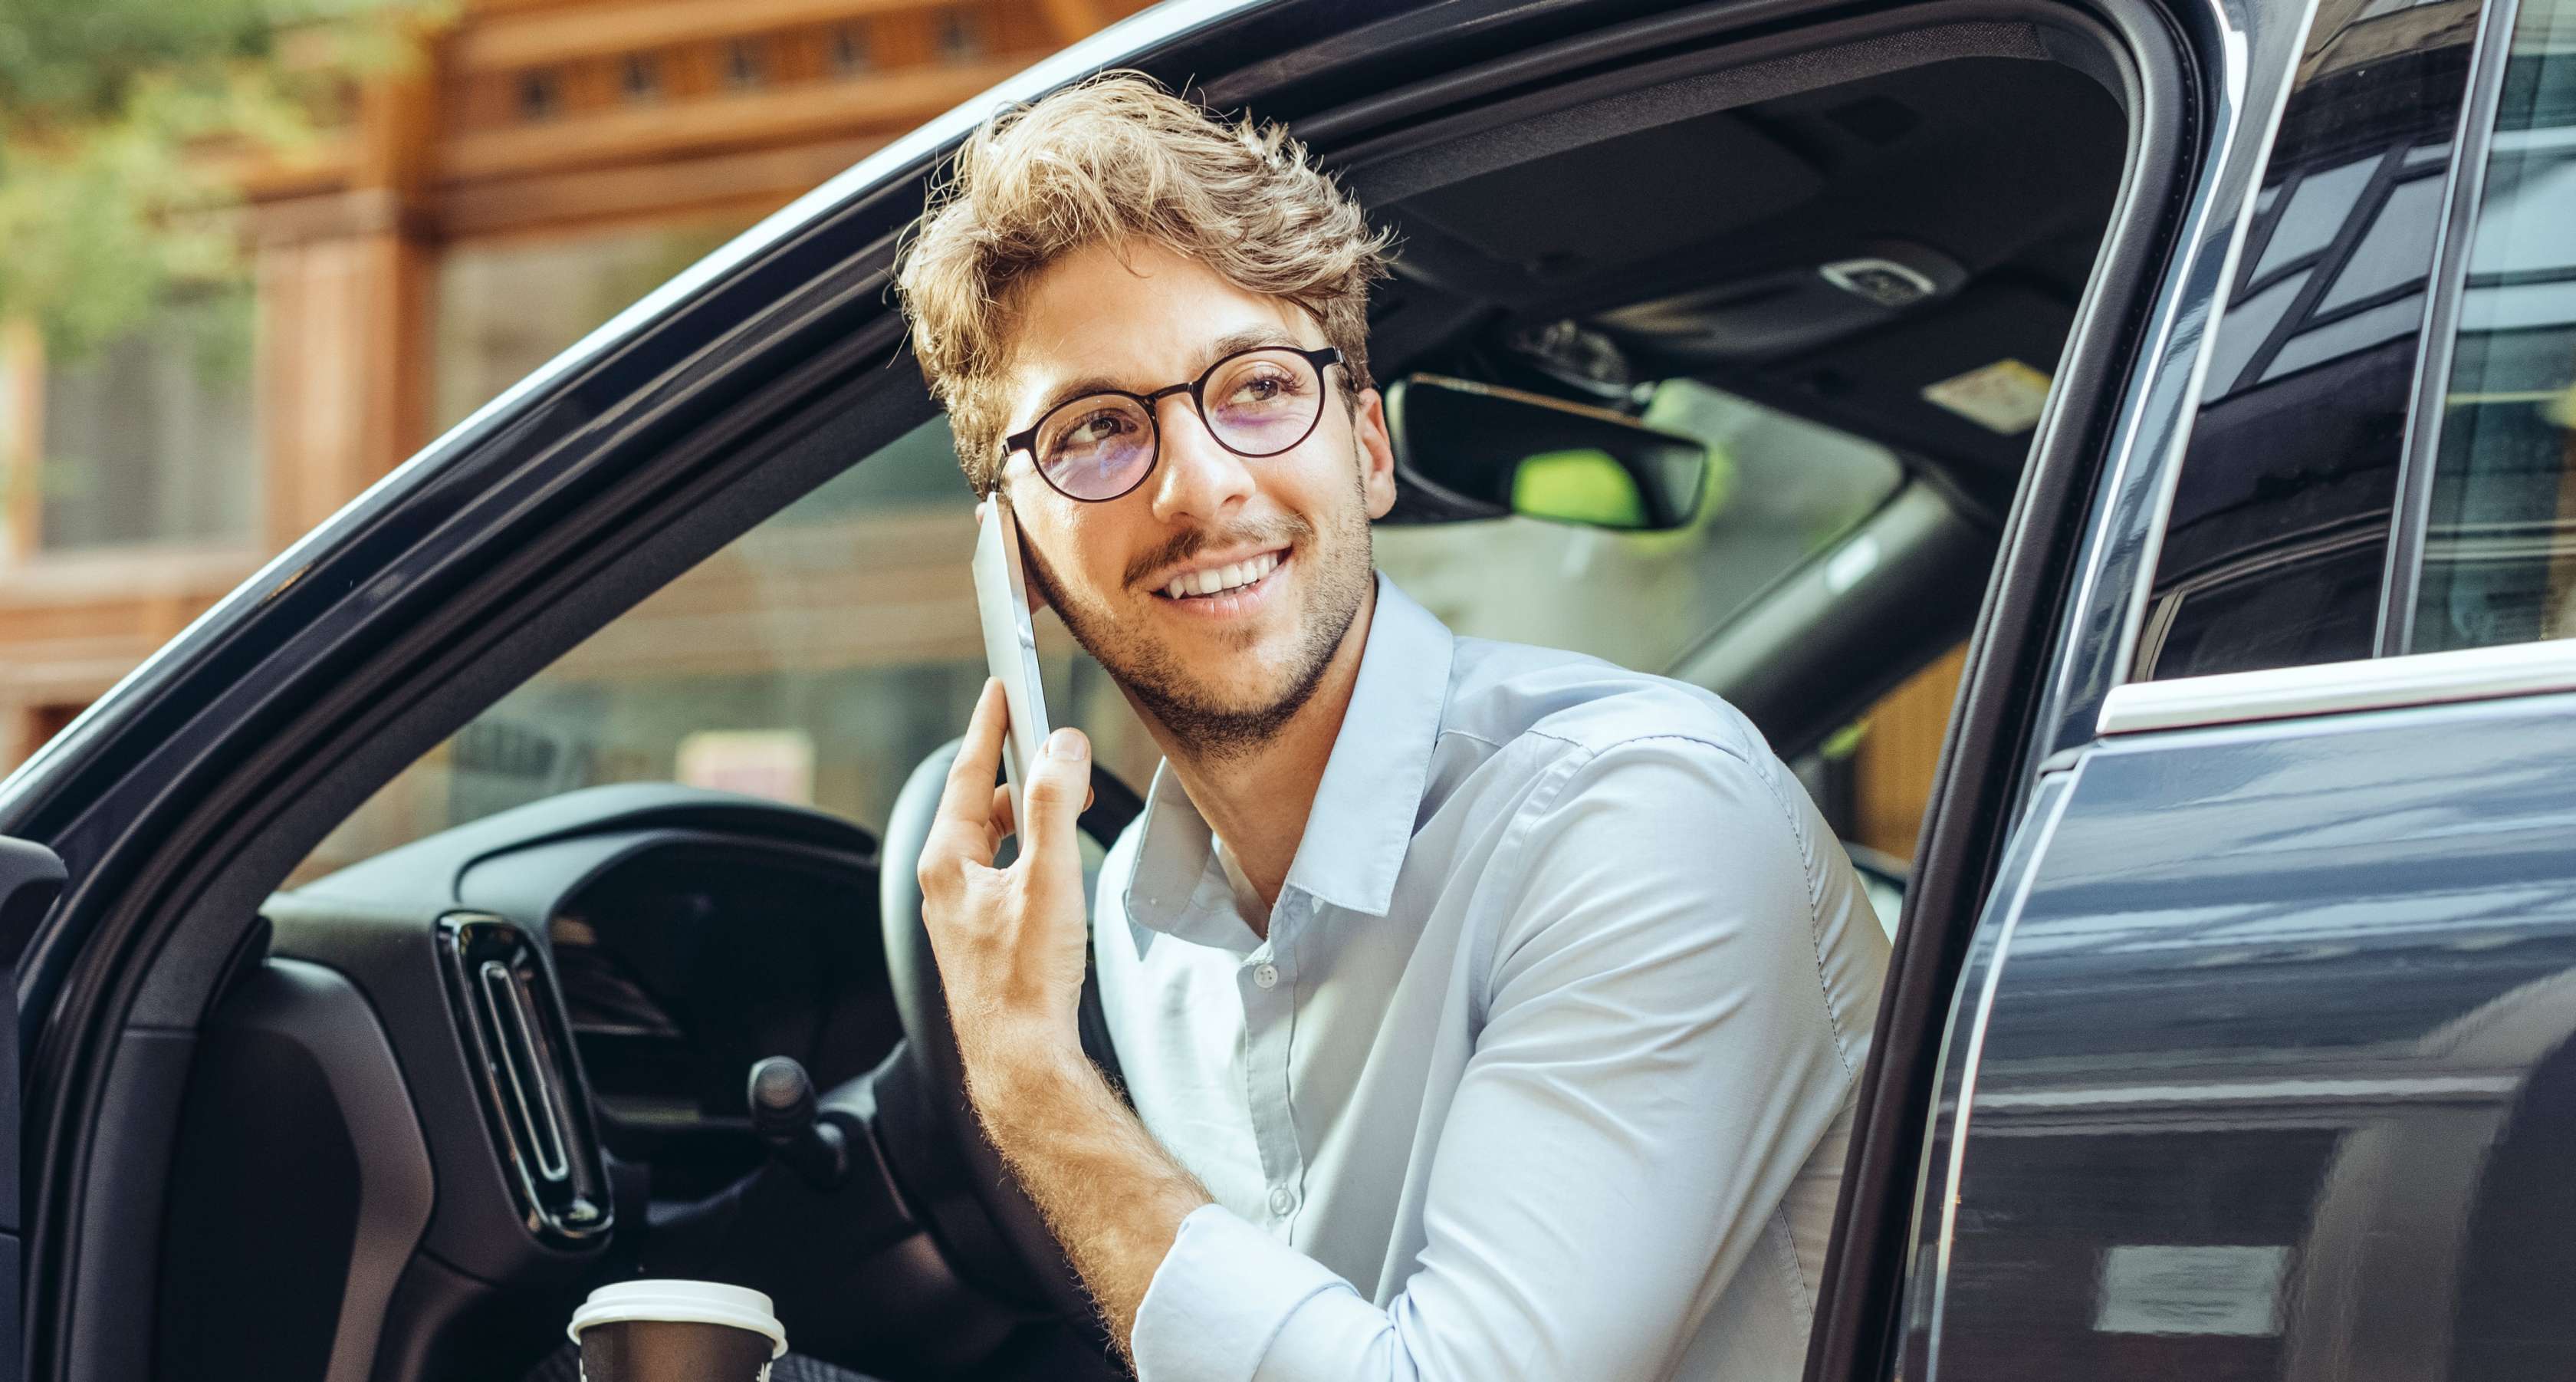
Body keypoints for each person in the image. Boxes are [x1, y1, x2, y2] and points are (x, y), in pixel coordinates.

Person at [887, 71, 1889, 1382]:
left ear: (1367, 449)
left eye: (1255, 389)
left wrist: (1031, 1087)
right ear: (1010, 553)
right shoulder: (1126, 920)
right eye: (1096, 432)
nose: (1202, 486)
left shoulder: (1645, 813)